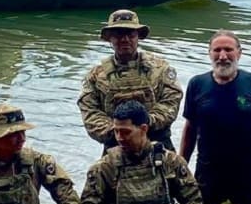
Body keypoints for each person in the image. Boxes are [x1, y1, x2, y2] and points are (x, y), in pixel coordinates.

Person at [79, 101, 207, 204]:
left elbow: (193, 200)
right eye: (116, 131)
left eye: (126, 132)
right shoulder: (104, 168)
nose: (119, 138)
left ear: (144, 129)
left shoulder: (170, 161)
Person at [179, 29, 251, 204]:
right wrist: (181, 170)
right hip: (208, 171)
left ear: (239, 53)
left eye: (228, 50)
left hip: (248, 171)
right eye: (217, 50)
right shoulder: (197, 84)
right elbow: (190, 130)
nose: (223, 56)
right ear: (209, 53)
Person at [78, 9, 183, 153]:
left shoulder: (160, 69)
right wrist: (120, 131)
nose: (125, 39)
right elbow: (89, 112)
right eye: (119, 34)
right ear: (110, 38)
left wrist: (144, 124)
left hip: (158, 144)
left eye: (130, 34)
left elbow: (171, 102)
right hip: (116, 146)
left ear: (138, 36)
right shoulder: (96, 76)